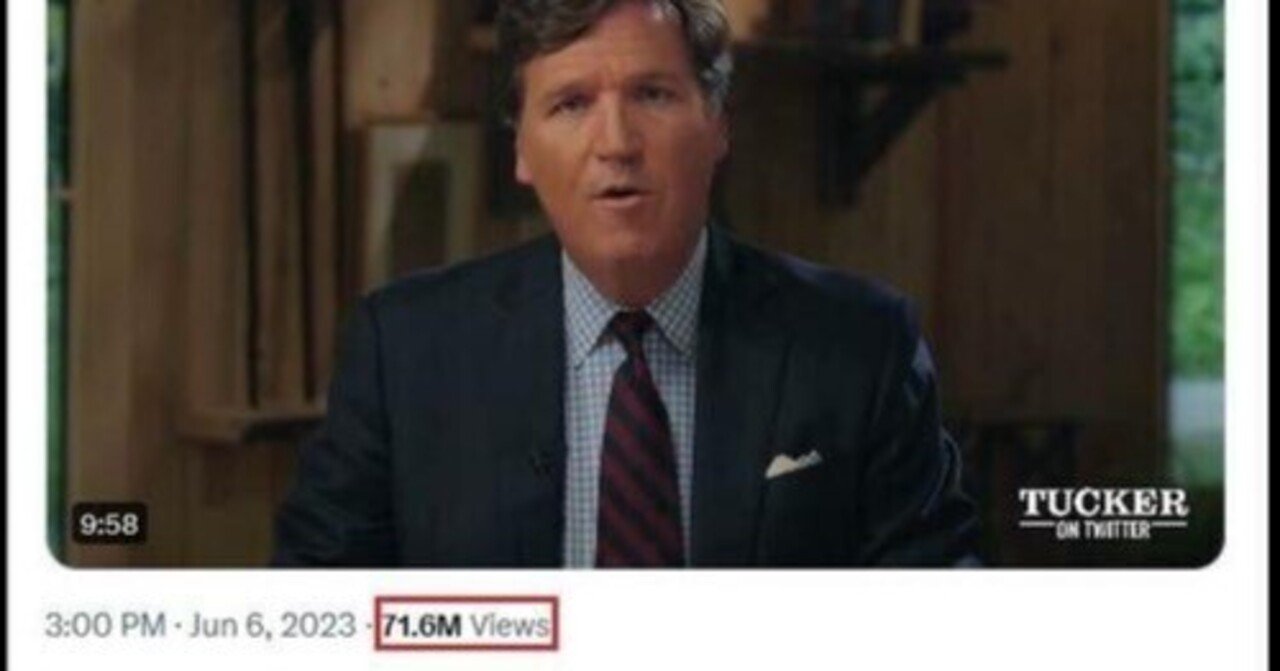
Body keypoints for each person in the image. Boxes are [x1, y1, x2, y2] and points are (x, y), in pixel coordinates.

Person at [272, 0, 979, 567]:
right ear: (521, 150)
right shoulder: (405, 352)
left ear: (717, 125)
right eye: (571, 104)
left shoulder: (860, 346)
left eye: (652, 94)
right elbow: (315, 616)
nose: (615, 142)